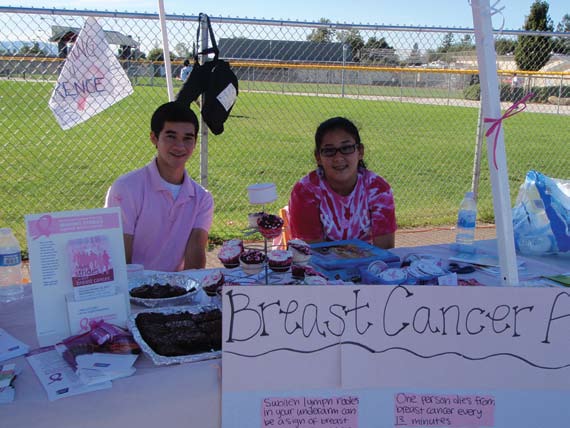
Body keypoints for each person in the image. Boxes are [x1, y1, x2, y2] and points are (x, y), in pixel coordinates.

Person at [105, 101, 214, 271]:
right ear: (154, 138)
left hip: (176, 291)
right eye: (171, 136)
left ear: (195, 141)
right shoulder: (126, 188)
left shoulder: (202, 198)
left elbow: (195, 265)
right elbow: (120, 261)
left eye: (188, 138)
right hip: (133, 291)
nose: (179, 146)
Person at [288, 117, 397, 249]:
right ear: (318, 157)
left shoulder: (378, 190)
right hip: (319, 267)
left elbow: (385, 250)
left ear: (360, 151)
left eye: (346, 148)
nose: (338, 158)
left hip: (367, 264)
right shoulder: (306, 191)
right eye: (329, 151)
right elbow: (311, 253)